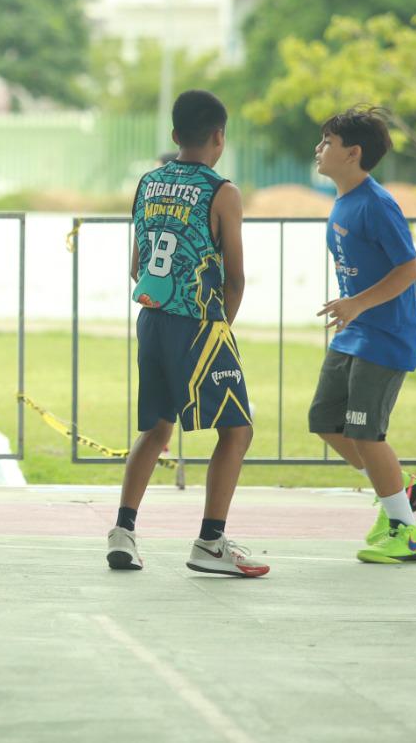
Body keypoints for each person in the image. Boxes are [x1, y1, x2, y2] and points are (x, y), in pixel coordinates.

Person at [107, 90, 267, 577]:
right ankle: (211, 541)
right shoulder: (223, 192)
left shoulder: (148, 183)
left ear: (175, 135)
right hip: (198, 324)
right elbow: (235, 276)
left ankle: (123, 531)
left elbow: (137, 266)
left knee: (155, 427)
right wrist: (220, 329)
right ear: (220, 136)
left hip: (151, 320)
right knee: (237, 430)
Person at [307, 108, 416, 564]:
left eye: (327, 142)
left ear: (353, 153)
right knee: (325, 421)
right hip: (353, 335)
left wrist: (358, 303)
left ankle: (408, 531)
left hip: (385, 337)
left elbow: (410, 268)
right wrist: (352, 307)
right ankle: (402, 488)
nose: (318, 149)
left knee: (366, 434)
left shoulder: (376, 204)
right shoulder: (344, 201)